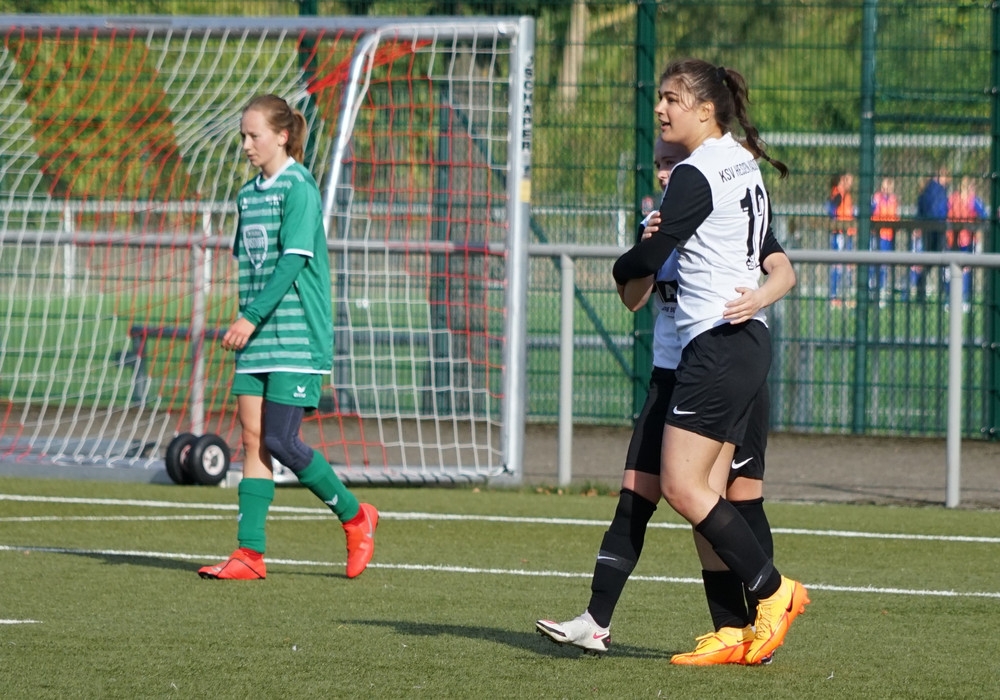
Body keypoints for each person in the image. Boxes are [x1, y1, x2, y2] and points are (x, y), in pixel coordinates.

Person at [536, 136, 796, 666]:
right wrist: (646, 254)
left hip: (722, 367)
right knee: (638, 494)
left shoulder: (721, 202)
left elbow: (783, 270)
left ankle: (760, 620)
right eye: (659, 164)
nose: (663, 173)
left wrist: (757, 299)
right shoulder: (659, 224)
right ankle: (599, 621)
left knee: (737, 499)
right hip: (671, 374)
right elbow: (633, 300)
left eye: (673, 162)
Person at [610, 59, 809, 665]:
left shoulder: (697, 173)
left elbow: (648, 261)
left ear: (704, 109)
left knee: (682, 485)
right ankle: (733, 630)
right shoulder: (739, 162)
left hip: (719, 344)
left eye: (672, 99)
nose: (661, 109)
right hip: (733, 344)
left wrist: (622, 263)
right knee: (713, 491)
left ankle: (774, 593)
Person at [198, 94, 378, 581]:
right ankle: (249, 554)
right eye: (242, 135)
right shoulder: (247, 195)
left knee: (280, 439)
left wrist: (250, 317)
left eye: (253, 135)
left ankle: (356, 517)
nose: (245, 144)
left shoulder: (299, 188)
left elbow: (292, 262)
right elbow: (251, 265)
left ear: (281, 136)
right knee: (252, 439)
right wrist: (248, 318)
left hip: (296, 336)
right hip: (256, 335)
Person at [946, 176, 986, 310]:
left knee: (963, 270)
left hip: (962, 239)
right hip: (957, 239)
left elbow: (983, 214)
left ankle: (961, 298)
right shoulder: (958, 199)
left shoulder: (969, 200)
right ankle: (955, 298)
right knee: (955, 270)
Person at [910, 166, 950, 301]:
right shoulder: (935, 190)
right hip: (935, 228)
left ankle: (926, 290)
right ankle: (941, 291)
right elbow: (937, 210)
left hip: (932, 227)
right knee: (938, 260)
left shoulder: (933, 189)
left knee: (932, 261)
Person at [827, 172, 855, 305]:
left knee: (848, 265)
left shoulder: (846, 195)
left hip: (847, 233)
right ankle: (835, 296)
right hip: (840, 233)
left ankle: (845, 295)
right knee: (838, 265)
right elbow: (831, 210)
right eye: (847, 179)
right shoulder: (838, 194)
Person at [870, 176, 899, 300]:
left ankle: (881, 290)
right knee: (874, 264)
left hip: (889, 236)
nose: (886, 189)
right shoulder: (876, 199)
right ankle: (872, 290)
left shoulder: (893, 200)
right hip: (878, 235)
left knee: (885, 266)